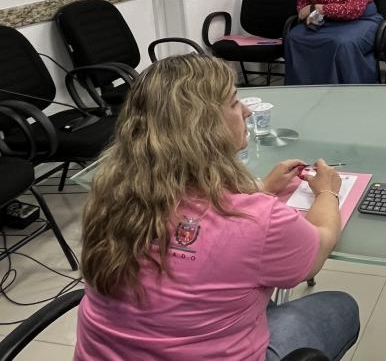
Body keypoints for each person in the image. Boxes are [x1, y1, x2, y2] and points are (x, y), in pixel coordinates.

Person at [75, 54, 360, 361]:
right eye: (235, 102)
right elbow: (320, 243)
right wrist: (328, 192)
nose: (247, 111)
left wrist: (262, 189)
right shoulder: (257, 218)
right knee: (341, 306)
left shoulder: (110, 194)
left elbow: (197, 222)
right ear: (206, 125)